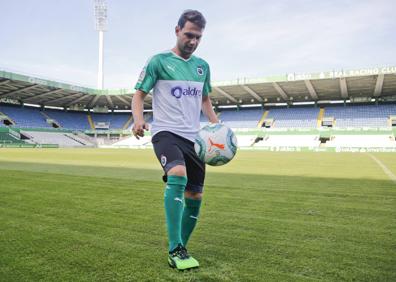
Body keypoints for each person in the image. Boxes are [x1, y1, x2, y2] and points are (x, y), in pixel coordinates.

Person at [132, 10, 219, 270]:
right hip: (165, 132)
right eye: (189, 35)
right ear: (177, 30)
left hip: (195, 139)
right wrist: (138, 120)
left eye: (198, 37)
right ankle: (174, 248)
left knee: (196, 195)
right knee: (177, 174)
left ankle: (182, 246)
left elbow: (205, 99)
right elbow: (138, 94)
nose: (193, 41)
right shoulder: (158, 61)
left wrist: (216, 126)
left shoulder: (203, 67)